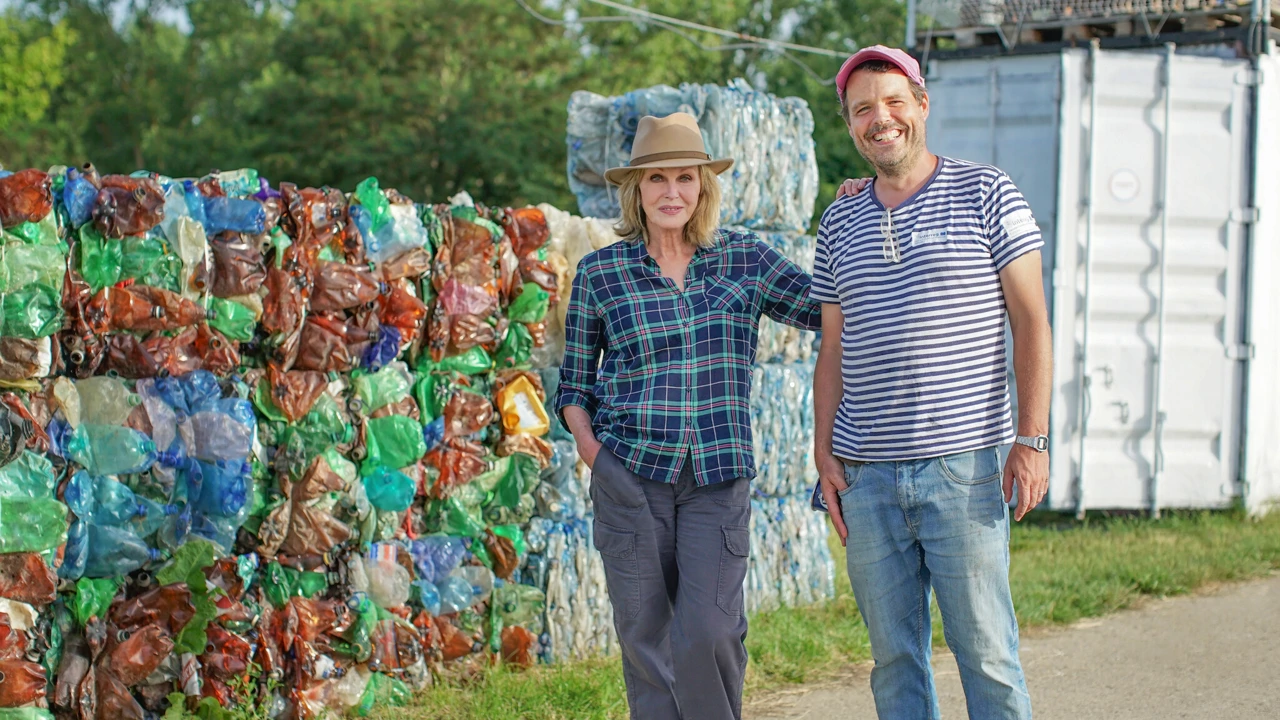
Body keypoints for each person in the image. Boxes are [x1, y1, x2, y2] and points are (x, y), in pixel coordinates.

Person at [554, 112, 821, 720]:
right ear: (636, 191)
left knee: (711, 631)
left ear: (704, 186)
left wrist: (852, 216)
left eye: (684, 178)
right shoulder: (602, 273)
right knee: (646, 639)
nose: (671, 192)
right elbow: (573, 386)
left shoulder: (744, 260)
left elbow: (823, 307)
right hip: (631, 476)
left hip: (717, 479)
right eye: (656, 180)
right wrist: (597, 456)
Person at [812, 45, 1052, 719]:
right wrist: (823, 452)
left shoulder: (987, 192)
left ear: (922, 104)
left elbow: (1031, 321)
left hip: (964, 469)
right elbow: (833, 345)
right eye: (863, 110)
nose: (879, 119)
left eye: (893, 101)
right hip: (867, 476)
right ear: (851, 125)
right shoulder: (839, 221)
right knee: (893, 662)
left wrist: (1032, 439)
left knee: (987, 654)